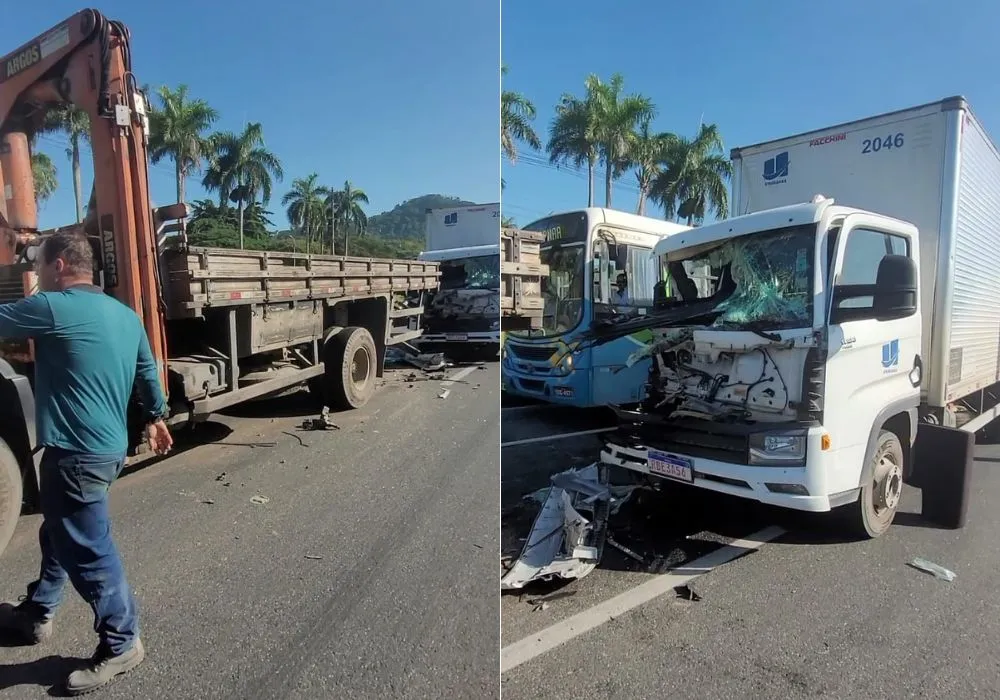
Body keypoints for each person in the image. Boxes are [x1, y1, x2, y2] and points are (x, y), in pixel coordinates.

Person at [0, 231, 172, 695]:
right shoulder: (125, 315)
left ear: (58, 266)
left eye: (40, 265)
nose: (37, 274)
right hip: (109, 449)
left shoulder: (54, 308)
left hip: (75, 454)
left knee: (89, 550)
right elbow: (147, 371)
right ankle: (38, 613)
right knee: (57, 531)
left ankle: (121, 643)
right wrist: (157, 417)